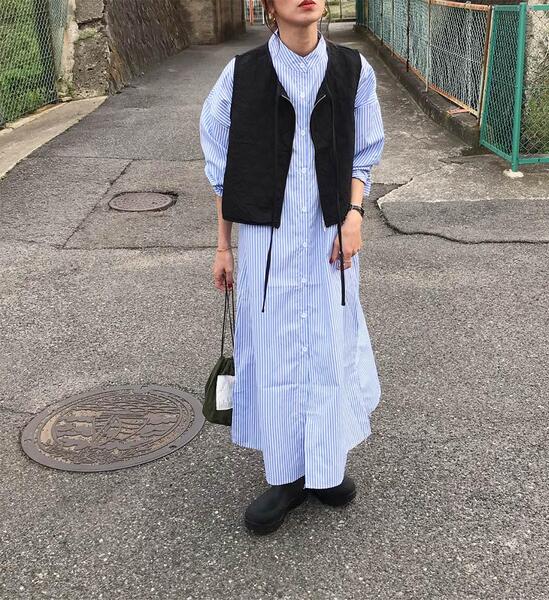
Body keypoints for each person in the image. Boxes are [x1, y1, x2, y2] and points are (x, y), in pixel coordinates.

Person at [199, 0, 385, 535]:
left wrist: (354, 214)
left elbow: (365, 151)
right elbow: (222, 167)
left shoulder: (353, 70)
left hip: (331, 234)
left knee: (329, 343)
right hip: (267, 238)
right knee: (275, 348)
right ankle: (286, 476)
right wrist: (224, 246)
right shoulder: (241, 75)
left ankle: (325, 466)